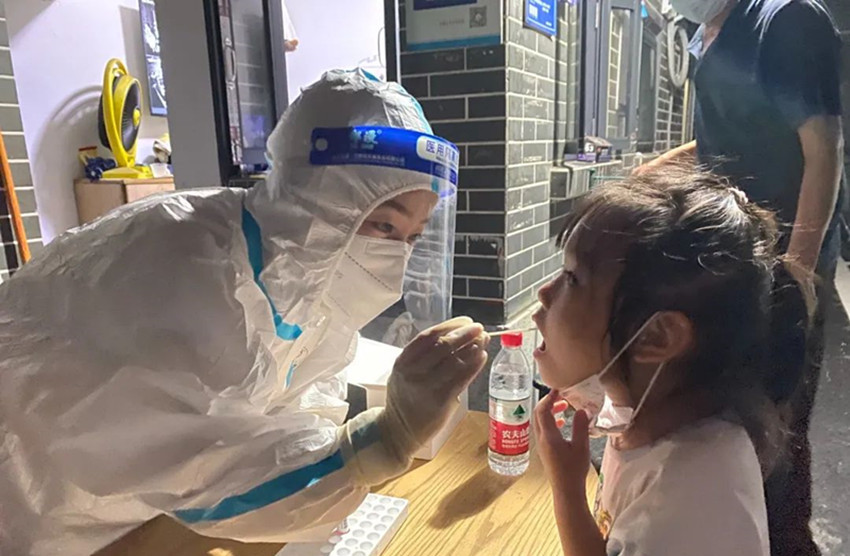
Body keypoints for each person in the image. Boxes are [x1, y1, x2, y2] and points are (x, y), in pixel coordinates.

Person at [0, 69, 489, 555]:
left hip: (129, 510)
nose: (396, 257)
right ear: (321, 199)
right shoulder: (195, 271)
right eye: (383, 225)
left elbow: (297, 406)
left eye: (413, 236)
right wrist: (384, 439)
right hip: (37, 515)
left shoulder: (301, 276)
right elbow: (208, 479)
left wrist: (334, 461)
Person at [636, 1, 844, 553]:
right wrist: (655, 170)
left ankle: (784, 543)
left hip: (781, 265)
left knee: (776, 425)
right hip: (732, 264)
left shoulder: (786, 19)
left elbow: (823, 149)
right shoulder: (704, 35)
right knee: (723, 418)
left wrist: (797, 273)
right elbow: (725, 139)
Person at [531, 166, 809, 555]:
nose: (545, 293)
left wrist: (566, 489)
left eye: (573, 278)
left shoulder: (690, 499)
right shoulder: (651, 417)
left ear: (657, 336)